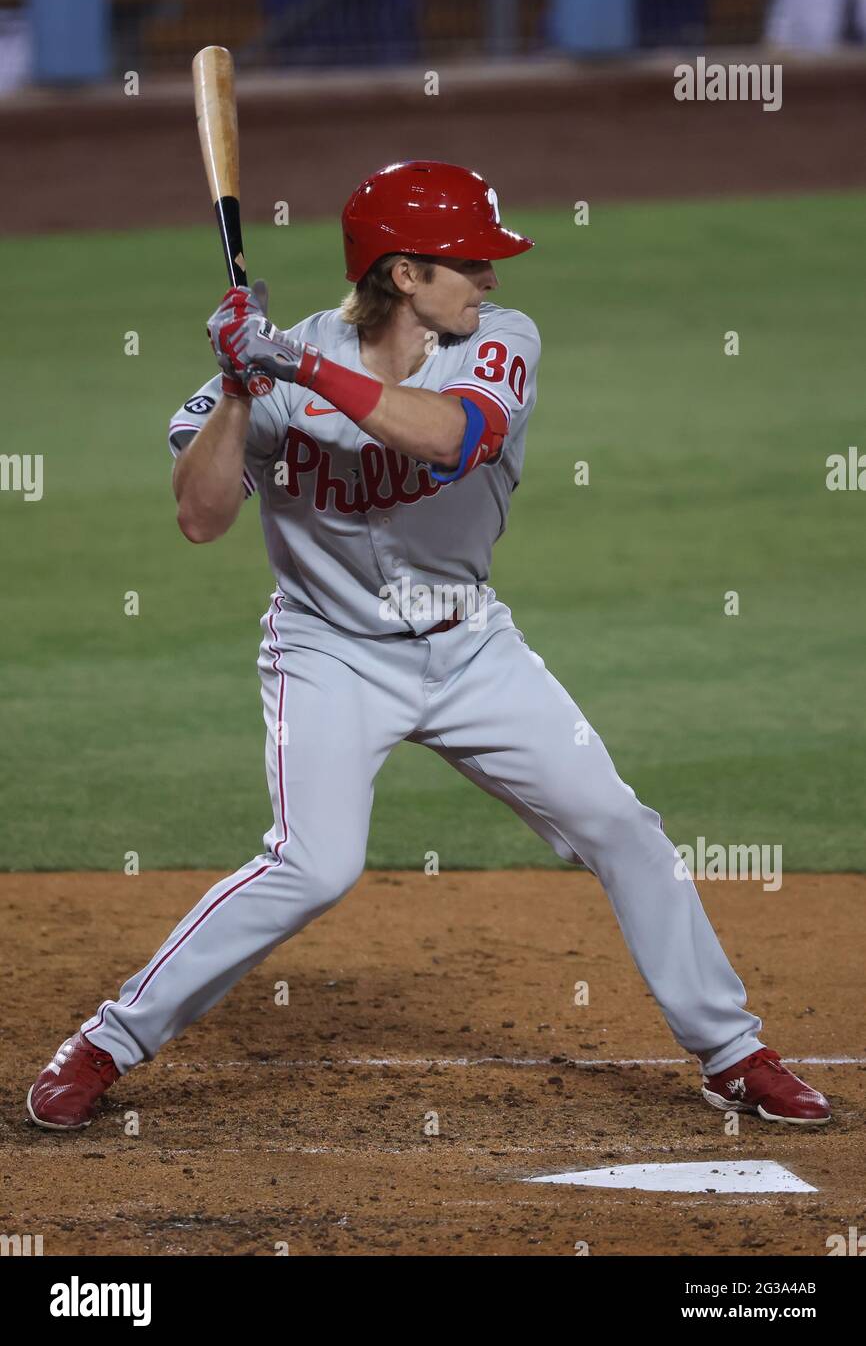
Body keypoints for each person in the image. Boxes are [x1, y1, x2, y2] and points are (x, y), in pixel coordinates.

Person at [26, 161, 830, 1132]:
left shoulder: (497, 343)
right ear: (403, 274)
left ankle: (731, 1051)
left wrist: (291, 366)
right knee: (312, 865)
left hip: (468, 647)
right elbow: (200, 518)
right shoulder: (273, 372)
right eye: (469, 263)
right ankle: (107, 1041)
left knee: (621, 826)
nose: (489, 279)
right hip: (328, 652)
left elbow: (450, 437)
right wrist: (242, 388)